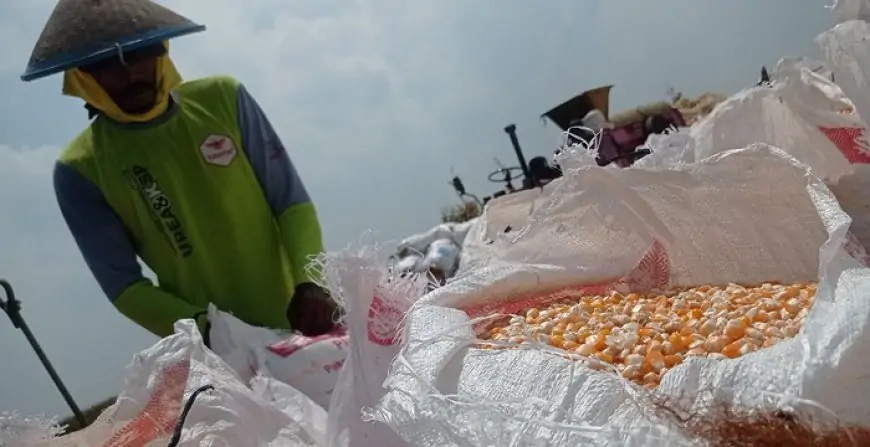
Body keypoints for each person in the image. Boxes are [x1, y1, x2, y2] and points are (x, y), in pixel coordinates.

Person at [21, 0, 336, 343]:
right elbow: (123, 286)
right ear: (82, 77)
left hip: (305, 319)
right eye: (108, 66)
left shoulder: (224, 98)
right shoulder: (79, 169)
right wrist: (213, 332)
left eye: (141, 53)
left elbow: (290, 203)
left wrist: (311, 283)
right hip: (216, 350)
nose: (131, 74)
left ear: (162, 50)